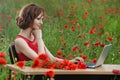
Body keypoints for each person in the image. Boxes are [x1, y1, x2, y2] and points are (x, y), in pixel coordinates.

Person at [14, 3, 83, 63]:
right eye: (38, 19)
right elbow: (41, 61)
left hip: (42, 72)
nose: (41, 22)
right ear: (29, 19)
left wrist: (71, 61)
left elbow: (52, 59)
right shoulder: (20, 41)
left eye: (42, 19)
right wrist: (39, 38)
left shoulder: (34, 36)